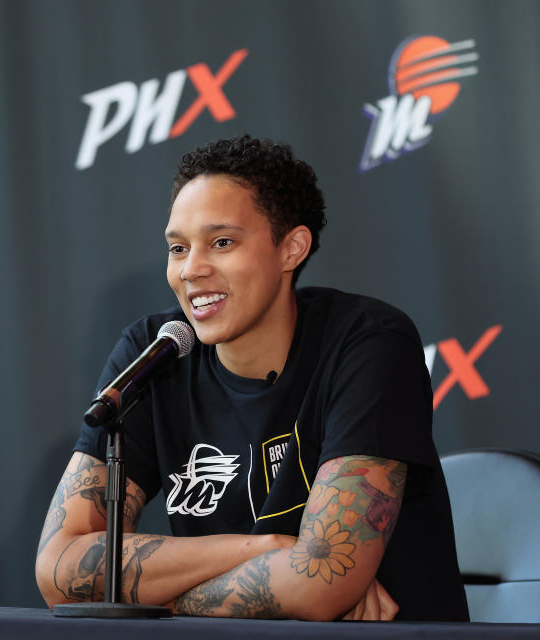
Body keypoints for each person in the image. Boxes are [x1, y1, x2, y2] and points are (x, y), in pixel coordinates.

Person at [34, 135, 469, 621]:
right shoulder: (155, 353)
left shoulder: (368, 344)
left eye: (222, 242)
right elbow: (57, 570)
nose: (191, 269)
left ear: (292, 248)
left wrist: (149, 599)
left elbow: (322, 578)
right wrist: (263, 550)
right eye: (178, 248)